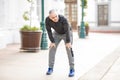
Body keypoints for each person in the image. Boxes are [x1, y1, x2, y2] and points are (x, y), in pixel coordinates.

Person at [45, 9, 75, 77]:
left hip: (66, 33)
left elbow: (67, 30)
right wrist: (52, 41)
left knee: (69, 49)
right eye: (53, 17)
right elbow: (49, 31)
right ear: (49, 17)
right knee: (52, 48)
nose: (55, 18)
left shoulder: (63, 19)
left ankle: (72, 69)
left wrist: (68, 41)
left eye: (56, 16)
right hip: (56, 34)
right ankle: (50, 68)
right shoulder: (47, 20)